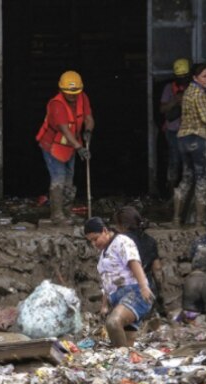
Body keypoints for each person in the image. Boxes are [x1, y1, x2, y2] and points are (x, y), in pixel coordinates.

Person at [83, 217, 154, 348]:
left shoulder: (121, 241)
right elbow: (106, 283)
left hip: (135, 293)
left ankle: (121, 359)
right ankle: (126, 363)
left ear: (105, 230)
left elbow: (134, 263)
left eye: (95, 238)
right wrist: (104, 306)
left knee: (113, 323)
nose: (94, 244)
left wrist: (144, 286)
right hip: (118, 299)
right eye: (90, 241)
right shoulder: (103, 254)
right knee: (126, 344)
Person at [36, 70, 94, 222]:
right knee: (59, 178)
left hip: (70, 146)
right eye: (69, 93)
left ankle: (67, 212)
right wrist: (80, 148)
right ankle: (57, 214)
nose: (73, 96)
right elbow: (65, 131)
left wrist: (88, 130)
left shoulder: (82, 98)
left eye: (75, 92)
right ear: (61, 90)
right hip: (53, 146)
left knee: (69, 178)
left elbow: (88, 118)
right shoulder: (57, 104)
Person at [175, 63, 206, 226]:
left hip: (183, 139)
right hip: (198, 139)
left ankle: (176, 219)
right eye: (204, 76)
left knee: (186, 178)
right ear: (195, 78)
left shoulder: (187, 92)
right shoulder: (200, 93)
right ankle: (200, 221)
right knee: (201, 179)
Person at [113, 205, 163, 299]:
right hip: (148, 290)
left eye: (116, 225)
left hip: (127, 290)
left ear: (123, 226)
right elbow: (157, 269)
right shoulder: (151, 241)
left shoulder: (119, 241)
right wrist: (159, 294)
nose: (116, 228)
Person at [159, 58, 190, 199]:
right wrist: (175, 100)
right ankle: (171, 194)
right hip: (173, 131)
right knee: (174, 160)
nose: (181, 79)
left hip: (190, 131)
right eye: (179, 77)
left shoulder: (193, 88)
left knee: (188, 161)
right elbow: (162, 109)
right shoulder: (169, 89)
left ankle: (186, 195)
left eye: (184, 76)